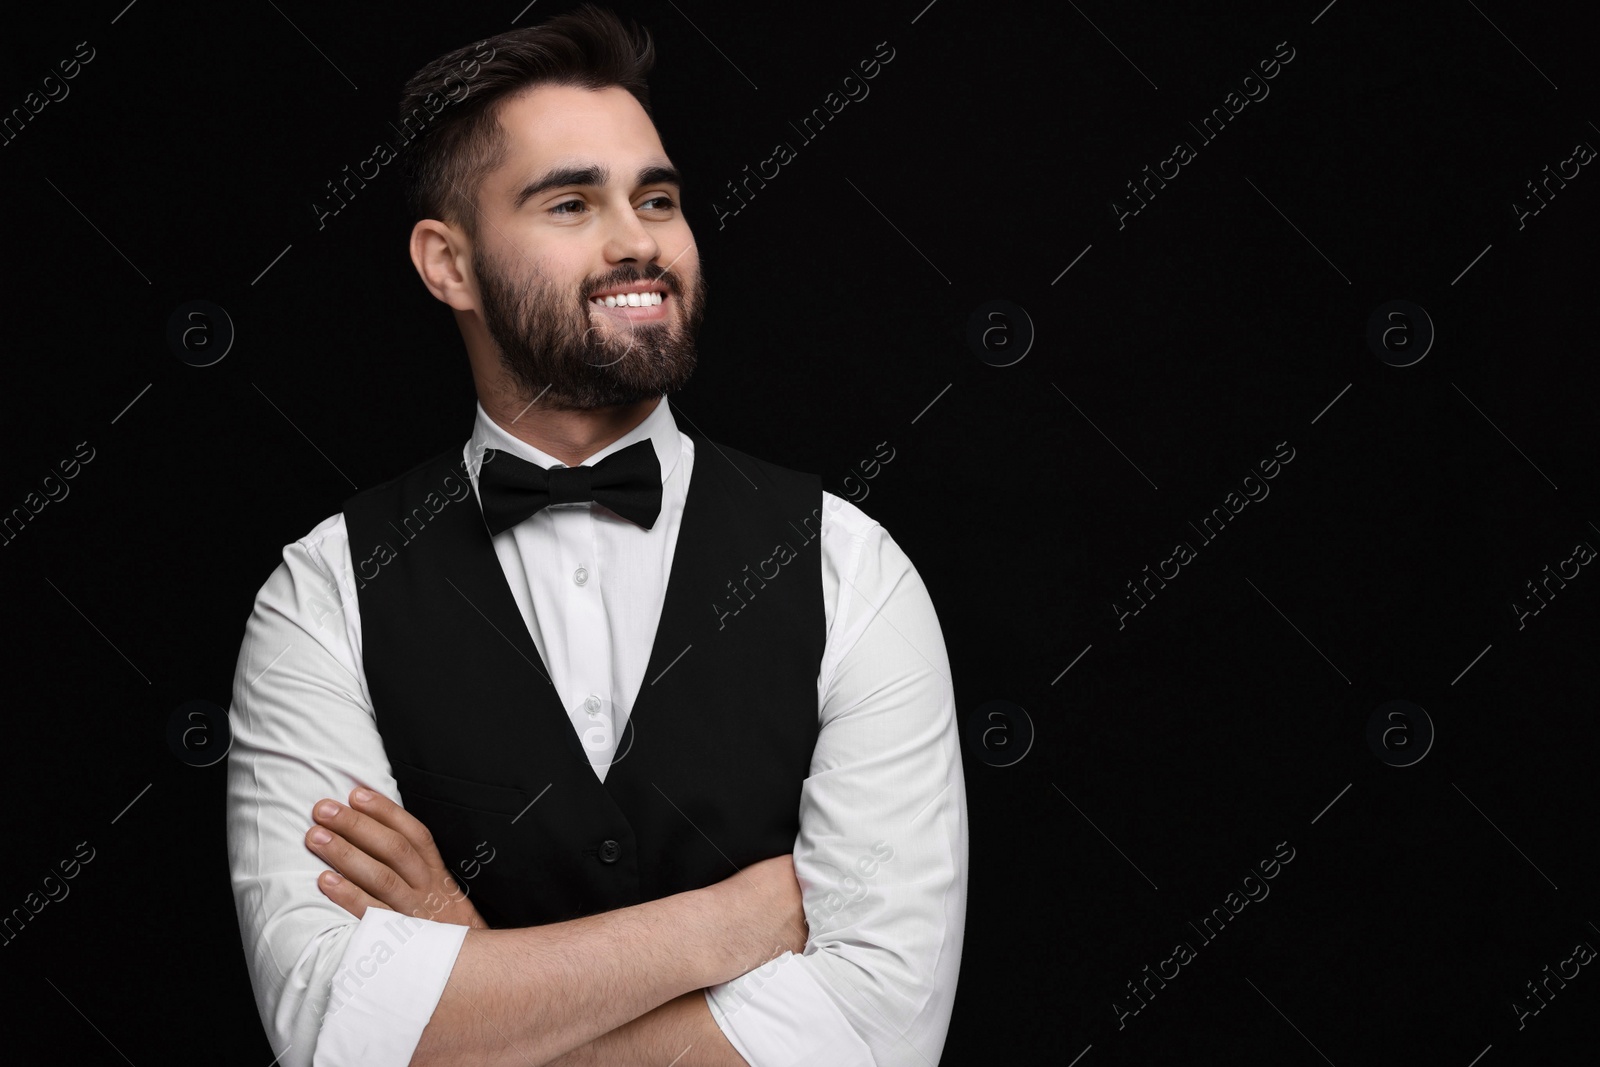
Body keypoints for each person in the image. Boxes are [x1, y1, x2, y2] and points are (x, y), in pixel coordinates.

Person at [225, 5, 967, 1065]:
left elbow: (873, 1033)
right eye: (571, 201)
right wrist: (735, 922)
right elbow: (333, 1033)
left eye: (655, 198)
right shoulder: (323, 591)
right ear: (450, 264)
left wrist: (465, 966)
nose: (637, 240)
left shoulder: (853, 568)